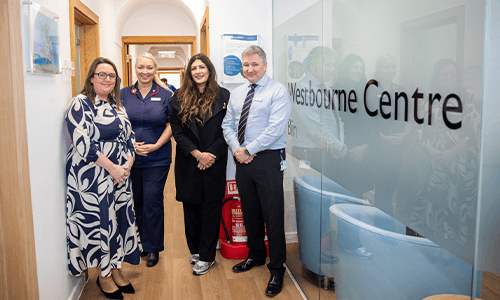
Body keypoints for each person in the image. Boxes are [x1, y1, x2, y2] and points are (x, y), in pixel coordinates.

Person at [65, 57, 140, 299]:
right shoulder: (81, 103)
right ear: (91, 78)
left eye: (112, 75)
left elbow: (129, 138)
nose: (108, 79)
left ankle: (116, 269)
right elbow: (82, 142)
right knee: (101, 224)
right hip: (93, 177)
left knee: (118, 221)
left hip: (120, 176)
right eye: (102, 74)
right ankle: (103, 275)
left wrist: (127, 164)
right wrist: (112, 168)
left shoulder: (117, 105)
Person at [222, 45, 291, 297]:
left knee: (272, 215)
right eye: (246, 65)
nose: (249, 69)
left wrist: (248, 149)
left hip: (268, 160)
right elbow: (227, 123)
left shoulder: (278, 91)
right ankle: (256, 255)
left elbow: (275, 129)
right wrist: (237, 149)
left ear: (264, 65)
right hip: (243, 159)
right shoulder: (238, 93)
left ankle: (277, 269)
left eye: (254, 64)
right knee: (250, 210)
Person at [169, 53, 230, 275]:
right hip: (189, 161)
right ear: (189, 72)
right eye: (193, 68)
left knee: (211, 208)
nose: (198, 71)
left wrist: (209, 154)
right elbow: (176, 131)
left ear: (209, 70)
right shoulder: (178, 97)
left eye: (202, 67)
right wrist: (197, 154)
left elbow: (228, 129)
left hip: (214, 160)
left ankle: (207, 256)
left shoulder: (224, 95)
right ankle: (195, 250)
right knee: (191, 208)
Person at [121, 52, 173, 268]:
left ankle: (153, 248)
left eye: (149, 68)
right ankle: (141, 243)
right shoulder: (123, 94)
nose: (145, 71)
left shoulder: (165, 94)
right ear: (135, 69)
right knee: (136, 201)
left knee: (152, 200)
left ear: (155, 70)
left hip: (157, 157)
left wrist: (157, 145)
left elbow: (172, 124)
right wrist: (131, 145)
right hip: (129, 157)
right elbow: (117, 123)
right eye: (141, 67)